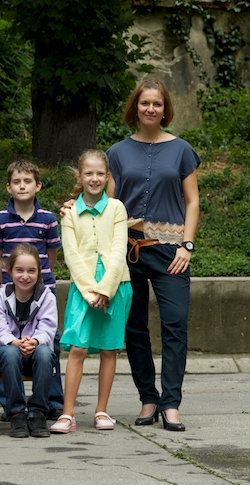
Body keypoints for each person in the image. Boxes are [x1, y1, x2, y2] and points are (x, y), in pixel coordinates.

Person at [107, 78, 200, 433]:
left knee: (175, 324)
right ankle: (149, 398)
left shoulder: (182, 150)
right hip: (128, 250)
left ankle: (171, 403)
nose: (150, 108)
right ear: (136, 107)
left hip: (170, 252)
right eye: (145, 103)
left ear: (165, 109)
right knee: (134, 327)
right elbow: (108, 205)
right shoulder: (117, 153)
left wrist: (187, 245)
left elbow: (192, 201)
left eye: (157, 104)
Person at [51, 150, 132, 434]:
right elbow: (71, 256)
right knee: (78, 348)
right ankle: (68, 414)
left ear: (107, 176)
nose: (94, 179)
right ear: (80, 176)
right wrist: (90, 292)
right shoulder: (69, 212)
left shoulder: (117, 208)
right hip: (83, 288)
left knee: (109, 349)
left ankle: (102, 410)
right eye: (88, 173)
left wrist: (106, 290)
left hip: (116, 286)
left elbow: (119, 250)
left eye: (100, 174)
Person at [0, 158, 64, 421]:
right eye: (17, 182)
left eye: (27, 181)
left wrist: (40, 278)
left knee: (49, 344)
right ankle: (10, 403)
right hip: (11, 288)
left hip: (42, 289)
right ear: (8, 187)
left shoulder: (48, 219)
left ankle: (52, 400)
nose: (22, 186)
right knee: (7, 344)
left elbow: (51, 254)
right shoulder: (0, 219)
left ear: (38, 185)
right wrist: (5, 281)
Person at [0, 244, 57, 438]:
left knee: (45, 353)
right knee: (10, 353)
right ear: (9, 270)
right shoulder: (0, 297)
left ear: (39, 271)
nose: (25, 276)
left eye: (31, 271)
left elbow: (48, 328)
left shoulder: (46, 296)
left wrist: (34, 341)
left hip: (34, 351)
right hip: (8, 354)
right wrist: (15, 343)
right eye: (19, 270)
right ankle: (16, 413)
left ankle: (38, 412)